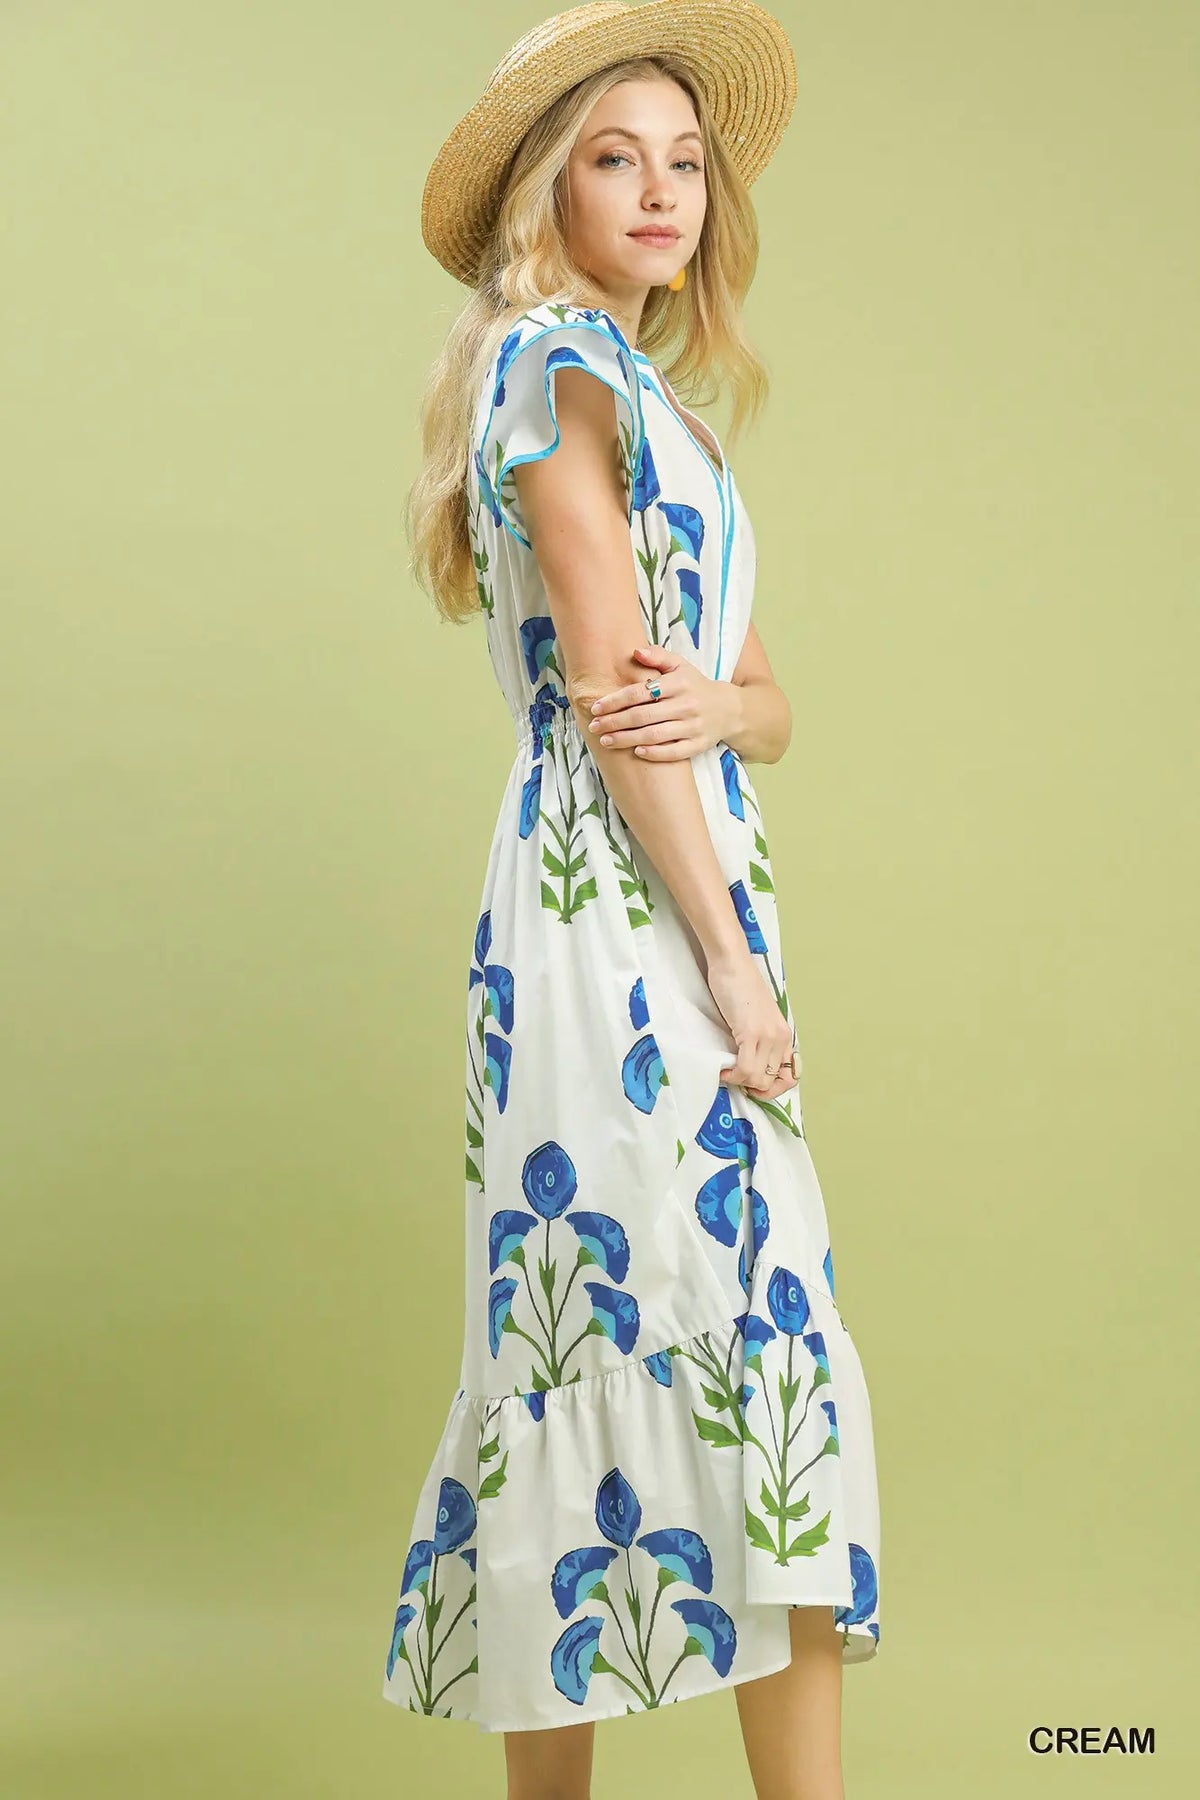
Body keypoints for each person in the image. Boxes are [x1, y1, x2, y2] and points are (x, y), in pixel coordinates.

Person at [382, 4, 881, 1795]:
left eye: (685, 161)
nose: (664, 190)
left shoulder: (658, 402)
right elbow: (614, 701)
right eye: (618, 158)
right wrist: (733, 969)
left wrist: (730, 715)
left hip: (683, 872)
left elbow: (763, 699)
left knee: (735, 1337)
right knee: (610, 1321)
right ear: (553, 189)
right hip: (612, 912)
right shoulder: (551, 372)